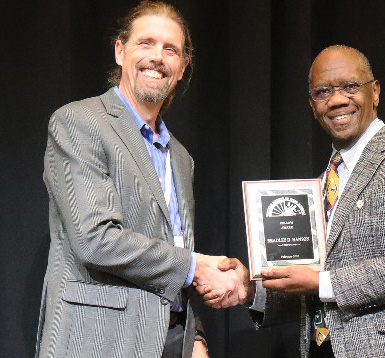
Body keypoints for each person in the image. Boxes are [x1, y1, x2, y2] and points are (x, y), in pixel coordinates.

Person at [203, 45, 385, 357]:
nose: (337, 99)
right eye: (323, 91)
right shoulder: (324, 183)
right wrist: (253, 289)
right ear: (313, 105)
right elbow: (314, 290)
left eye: (350, 87)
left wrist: (321, 282)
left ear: (375, 92)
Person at [35, 2, 245, 358]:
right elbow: (95, 239)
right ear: (120, 51)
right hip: (98, 341)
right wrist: (197, 267)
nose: (158, 58)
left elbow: (170, 257)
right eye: (145, 43)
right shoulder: (78, 122)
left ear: (182, 68)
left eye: (171, 50)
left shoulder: (180, 157)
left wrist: (195, 336)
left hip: (173, 342)